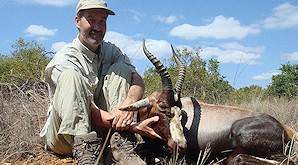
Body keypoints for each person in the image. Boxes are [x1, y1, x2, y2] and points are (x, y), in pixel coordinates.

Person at [39, 0, 161, 164]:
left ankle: (121, 143)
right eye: (91, 20)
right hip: (65, 138)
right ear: (77, 22)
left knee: (123, 69)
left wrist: (128, 106)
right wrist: (130, 125)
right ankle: (86, 154)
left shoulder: (110, 50)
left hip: (104, 130)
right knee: (71, 76)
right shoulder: (65, 58)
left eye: (102, 21)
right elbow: (88, 109)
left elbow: (137, 79)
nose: (97, 27)